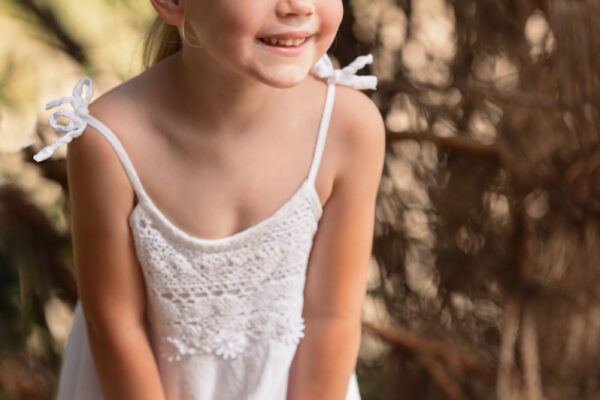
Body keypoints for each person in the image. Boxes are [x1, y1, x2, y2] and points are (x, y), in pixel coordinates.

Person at [34, 0, 385, 398]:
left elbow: (332, 317)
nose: (300, 5)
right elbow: (116, 326)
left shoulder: (349, 129)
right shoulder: (110, 142)